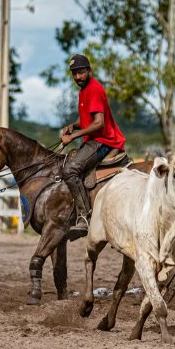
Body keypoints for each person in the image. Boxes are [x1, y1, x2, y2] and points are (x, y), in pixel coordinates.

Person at [60, 54, 126, 237]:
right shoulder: (84, 91)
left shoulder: (94, 89)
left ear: (89, 71)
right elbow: (88, 120)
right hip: (94, 140)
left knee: (70, 170)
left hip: (104, 140)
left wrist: (73, 136)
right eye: (74, 73)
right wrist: (73, 125)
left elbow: (98, 123)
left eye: (81, 72)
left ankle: (84, 217)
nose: (77, 77)